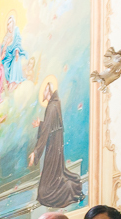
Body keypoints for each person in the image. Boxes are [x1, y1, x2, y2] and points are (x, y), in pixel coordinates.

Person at [29, 77, 84, 209]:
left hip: (53, 146)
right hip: (55, 143)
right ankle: (68, 187)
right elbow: (51, 125)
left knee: (45, 192)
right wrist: (41, 124)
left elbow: (48, 129)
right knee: (54, 175)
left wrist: (35, 153)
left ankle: (69, 189)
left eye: (45, 91)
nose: (43, 93)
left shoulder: (52, 107)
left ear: (48, 92)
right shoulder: (54, 104)